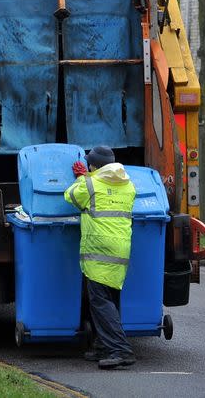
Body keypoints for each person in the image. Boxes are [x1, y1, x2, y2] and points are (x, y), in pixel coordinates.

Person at [65, 145, 136, 370]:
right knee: (109, 298)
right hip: (120, 248)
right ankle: (103, 345)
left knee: (99, 300)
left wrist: (81, 177)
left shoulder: (89, 183)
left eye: (90, 164)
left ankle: (120, 350)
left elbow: (70, 197)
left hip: (99, 250)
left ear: (94, 165)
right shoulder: (128, 185)